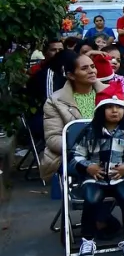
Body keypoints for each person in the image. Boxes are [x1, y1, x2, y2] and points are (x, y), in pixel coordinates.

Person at [69, 84, 124, 256]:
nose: (115, 111)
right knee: (91, 199)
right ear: (100, 110)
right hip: (94, 178)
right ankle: (87, 239)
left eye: (119, 107)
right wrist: (88, 166)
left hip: (121, 177)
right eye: (110, 107)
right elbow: (75, 155)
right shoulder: (90, 132)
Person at [41, 52, 107, 182]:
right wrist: (84, 148)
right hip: (73, 155)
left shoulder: (109, 93)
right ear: (70, 75)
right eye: (84, 68)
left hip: (109, 152)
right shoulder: (55, 101)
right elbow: (53, 138)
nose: (91, 71)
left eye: (93, 66)